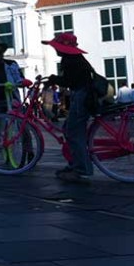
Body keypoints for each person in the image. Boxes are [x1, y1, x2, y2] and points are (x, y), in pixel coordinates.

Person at [44, 32, 95, 183]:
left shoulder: (69, 60)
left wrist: (54, 79)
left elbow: (70, 81)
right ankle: (75, 163)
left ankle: (81, 169)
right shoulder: (76, 58)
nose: (56, 50)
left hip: (81, 96)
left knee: (74, 133)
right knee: (69, 129)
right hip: (84, 94)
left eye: (57, 47)